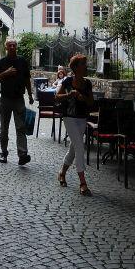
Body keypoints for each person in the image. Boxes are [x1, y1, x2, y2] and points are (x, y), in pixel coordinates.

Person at [56, 54, 94, 195]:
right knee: (79, 146)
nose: (86, 66)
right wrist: (69, 95)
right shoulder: (67, 81)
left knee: (73, 148)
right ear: (76, 67)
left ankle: (62, 172)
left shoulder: (87, 83)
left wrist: (82, 97)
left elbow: (91, 102)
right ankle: (82, 182)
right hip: (69, 117)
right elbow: (57, 97)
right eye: (84, 64)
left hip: (82, 118)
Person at [0, 38, 34, 165]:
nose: (12, 47)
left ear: (16, 47)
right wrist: (6, 73)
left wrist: (30, 95)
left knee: (20, 127)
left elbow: (27, 79)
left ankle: (22, 154)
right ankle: (4, 153)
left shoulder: (22, 62)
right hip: (5, 99)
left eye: (14, 45)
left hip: (18, 99)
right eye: (9, 45)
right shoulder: (1, 62)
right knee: (4, 128)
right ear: (6, 47)